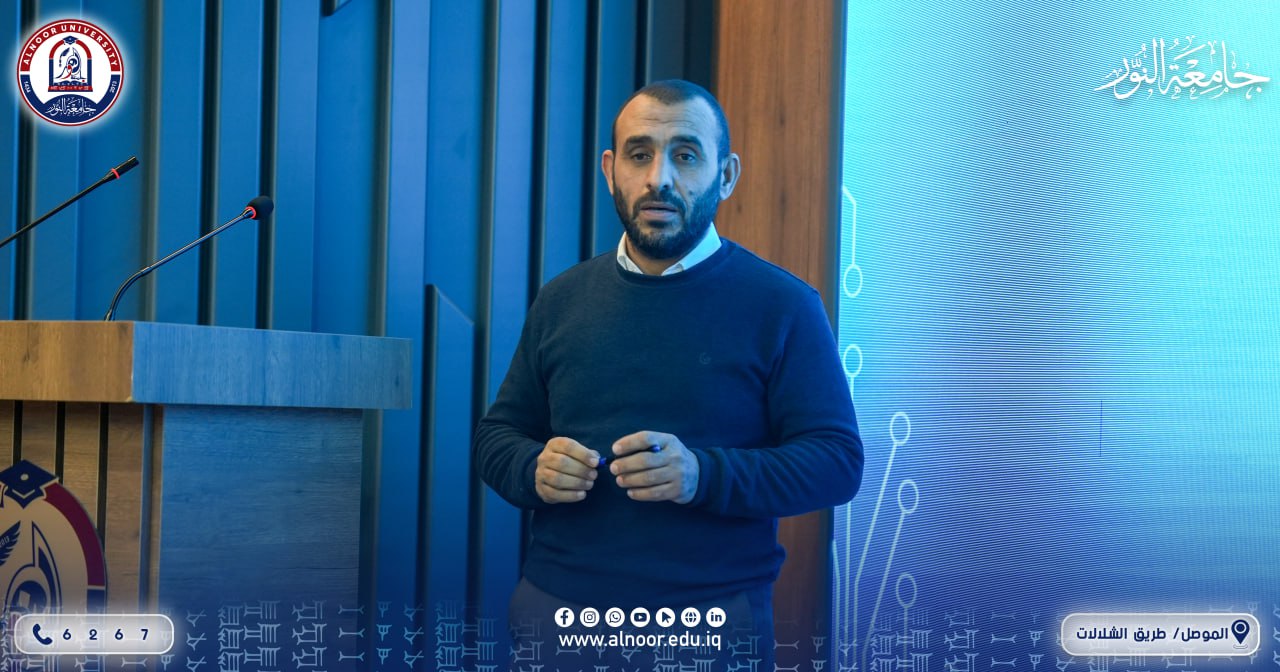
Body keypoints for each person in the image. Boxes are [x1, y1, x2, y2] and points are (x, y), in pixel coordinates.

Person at [473, 79, 863, 670]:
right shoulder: (561, 299)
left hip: (708, 623)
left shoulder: (783, 306)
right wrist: (533, 468)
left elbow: (836, 461)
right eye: (640, 155)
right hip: (556, 613)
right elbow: (496, 437)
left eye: (685, 155)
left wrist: (702, 474)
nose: (659, 178)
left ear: (726, 175)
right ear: (611, 171)